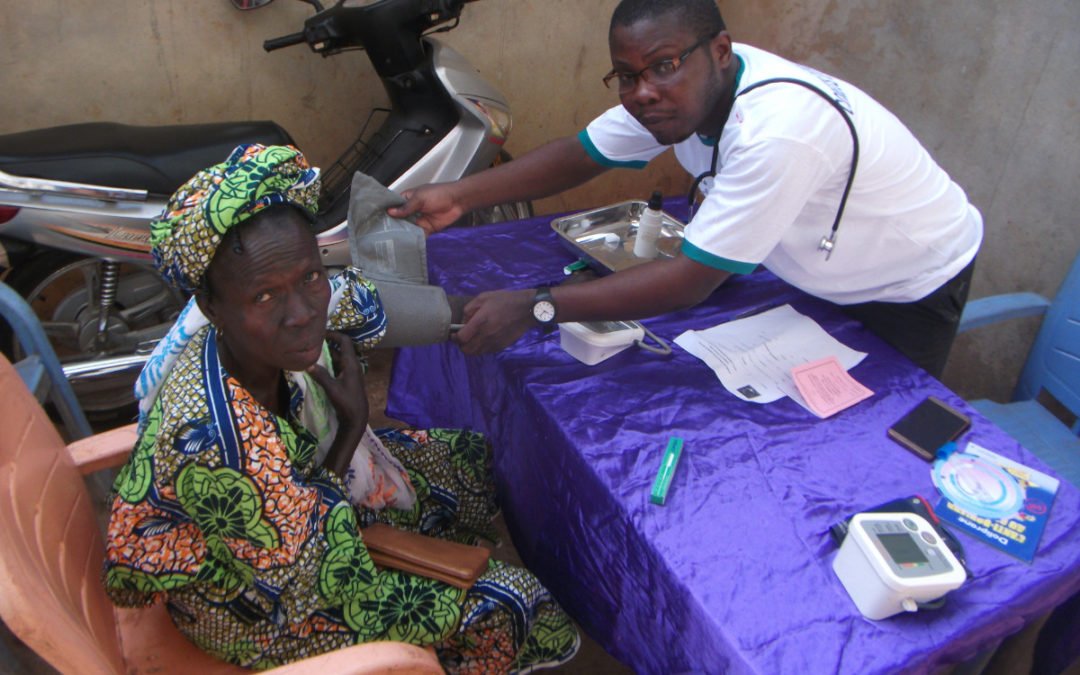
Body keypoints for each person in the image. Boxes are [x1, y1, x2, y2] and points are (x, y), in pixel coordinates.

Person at [102, 144, 580, 672]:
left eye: (310, 277)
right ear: (211, 306)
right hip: (258, 608)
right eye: (265, 297)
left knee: (464, 460)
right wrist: (351, 426)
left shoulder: (260, 325)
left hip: (295, 513)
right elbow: (313, 575)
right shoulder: (218, 440)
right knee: (509, 601)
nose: (303, 313)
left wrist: (524, 308)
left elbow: (357, 298)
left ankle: (430, 564)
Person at [389, 0, 983, 378]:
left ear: (719, 52)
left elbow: (689, 281)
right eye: (627, 76)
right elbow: (582, 153)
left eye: (663, 66)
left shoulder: (779, 133)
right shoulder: (680, 90)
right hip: (817, 268)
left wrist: (537, 305)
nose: (643, 92)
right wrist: (460, 196)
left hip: (906, 281)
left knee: (872, 421)